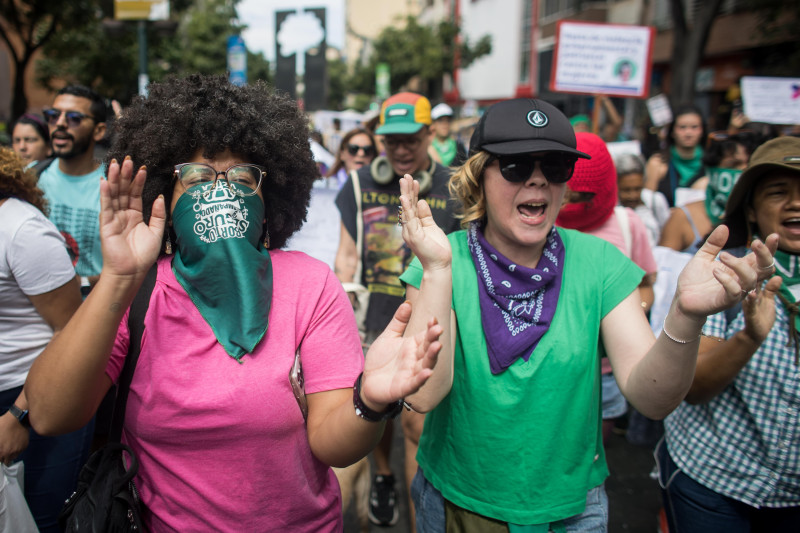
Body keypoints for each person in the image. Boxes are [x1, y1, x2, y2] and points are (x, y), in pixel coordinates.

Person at [23, 74, 444, 532]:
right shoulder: (136, 292)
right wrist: (119, 277)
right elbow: (48, 415)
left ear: (269, 196)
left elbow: (332, 445)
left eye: (242, 176)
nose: (219, 191)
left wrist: (368, 402)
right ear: (165, 192)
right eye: (198, 176)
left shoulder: (310, 283)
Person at [397, 97, 777, 531]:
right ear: (478, 177)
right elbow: (424, 397)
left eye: (555, 167)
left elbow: (652, 399)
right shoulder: (441, 261)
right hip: (457, 504)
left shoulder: (600, 263)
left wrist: (685, 316)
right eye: (516, 166)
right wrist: (438, 270)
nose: (538, 181)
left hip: (571, 512)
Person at [659, 136, 800, 532]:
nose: (795, 203)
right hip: (715, 482)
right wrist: (749, 338)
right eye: (778, 192)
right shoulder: (724, 269)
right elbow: (695, 385)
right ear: (752, 209)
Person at [335, 91, 461, 528]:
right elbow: (348, 255)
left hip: (432, 319)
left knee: (416, 426)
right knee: (376, 411)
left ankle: (416, 516)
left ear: (430, 134)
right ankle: (384, 475)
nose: (401, 149)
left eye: (410, 139)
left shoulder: (456, 186)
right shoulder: (358, 184)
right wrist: (343, 311)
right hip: (374, 317)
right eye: (391, 140)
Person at [0, 147, 86, 533]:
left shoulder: (20, 230)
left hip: (35, 394)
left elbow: (72, 332)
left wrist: (20, 415)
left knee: (42, 518)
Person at [556, 132, 658, 445]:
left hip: (606, 373)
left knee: (591, 460)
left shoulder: (628, 225)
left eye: (582, 198)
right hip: (552, 370)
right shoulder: (537, 221)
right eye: (567, 196)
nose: (572, 206)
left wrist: (625, 315)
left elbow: (647, 285)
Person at [36, 85, 108, 292]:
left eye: (74, 118)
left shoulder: (114, 188)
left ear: (99, 130)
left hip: (97, 315)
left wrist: (82, 283)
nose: (60, 124)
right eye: (53, 115)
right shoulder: (29, 178)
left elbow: (131, 268)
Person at [285, 128, 378, 269]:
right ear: (342, 153)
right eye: (354, 149)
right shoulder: (320, 189)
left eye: (367, 150)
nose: (361, 154)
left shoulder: (378, 196)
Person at [659, 130, 753, 253]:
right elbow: (664, 267)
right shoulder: (682, 217)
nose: (742, 171)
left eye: (749, 165)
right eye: (733, 165)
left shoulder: (763, 218)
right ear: (712, 171)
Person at [645, 104, 707, 207]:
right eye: (682, 127)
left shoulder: (712, 162)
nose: (688, 133)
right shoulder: (658, 163)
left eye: (694, 127)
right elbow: (647, 205)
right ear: (672, 131)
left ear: (702, 131)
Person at [616, 152, 670, 247]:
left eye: (637, 189)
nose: (633, 196)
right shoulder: (613, 207)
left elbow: (667, 236)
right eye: (626, 190)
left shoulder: (655, 201)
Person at [429, 103, 467, 167]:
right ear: (433, 124)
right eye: (440, 121)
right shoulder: (427, 147)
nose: (445, 124)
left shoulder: (459, 146)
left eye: (448, 120)